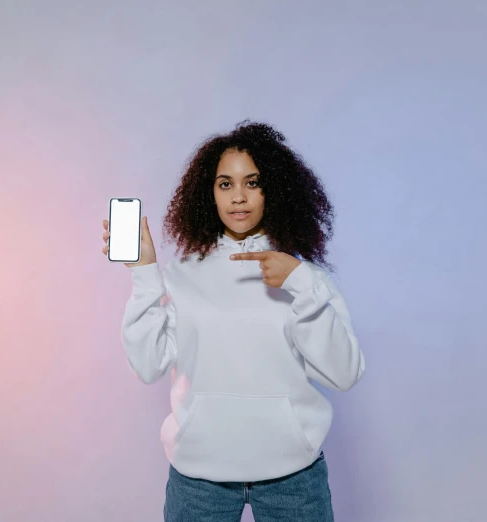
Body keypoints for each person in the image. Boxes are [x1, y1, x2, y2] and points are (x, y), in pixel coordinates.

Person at [101, 121, 365, 522]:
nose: (238, 197)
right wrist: (145, 273)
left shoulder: (302, 276)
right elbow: (147, 365)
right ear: (208, 193)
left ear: (273, 190)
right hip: (199, 479)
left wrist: (301, 283)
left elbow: (343, 374)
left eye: (252, 183)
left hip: (293, 477)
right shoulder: (181, 275)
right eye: (225, 184)